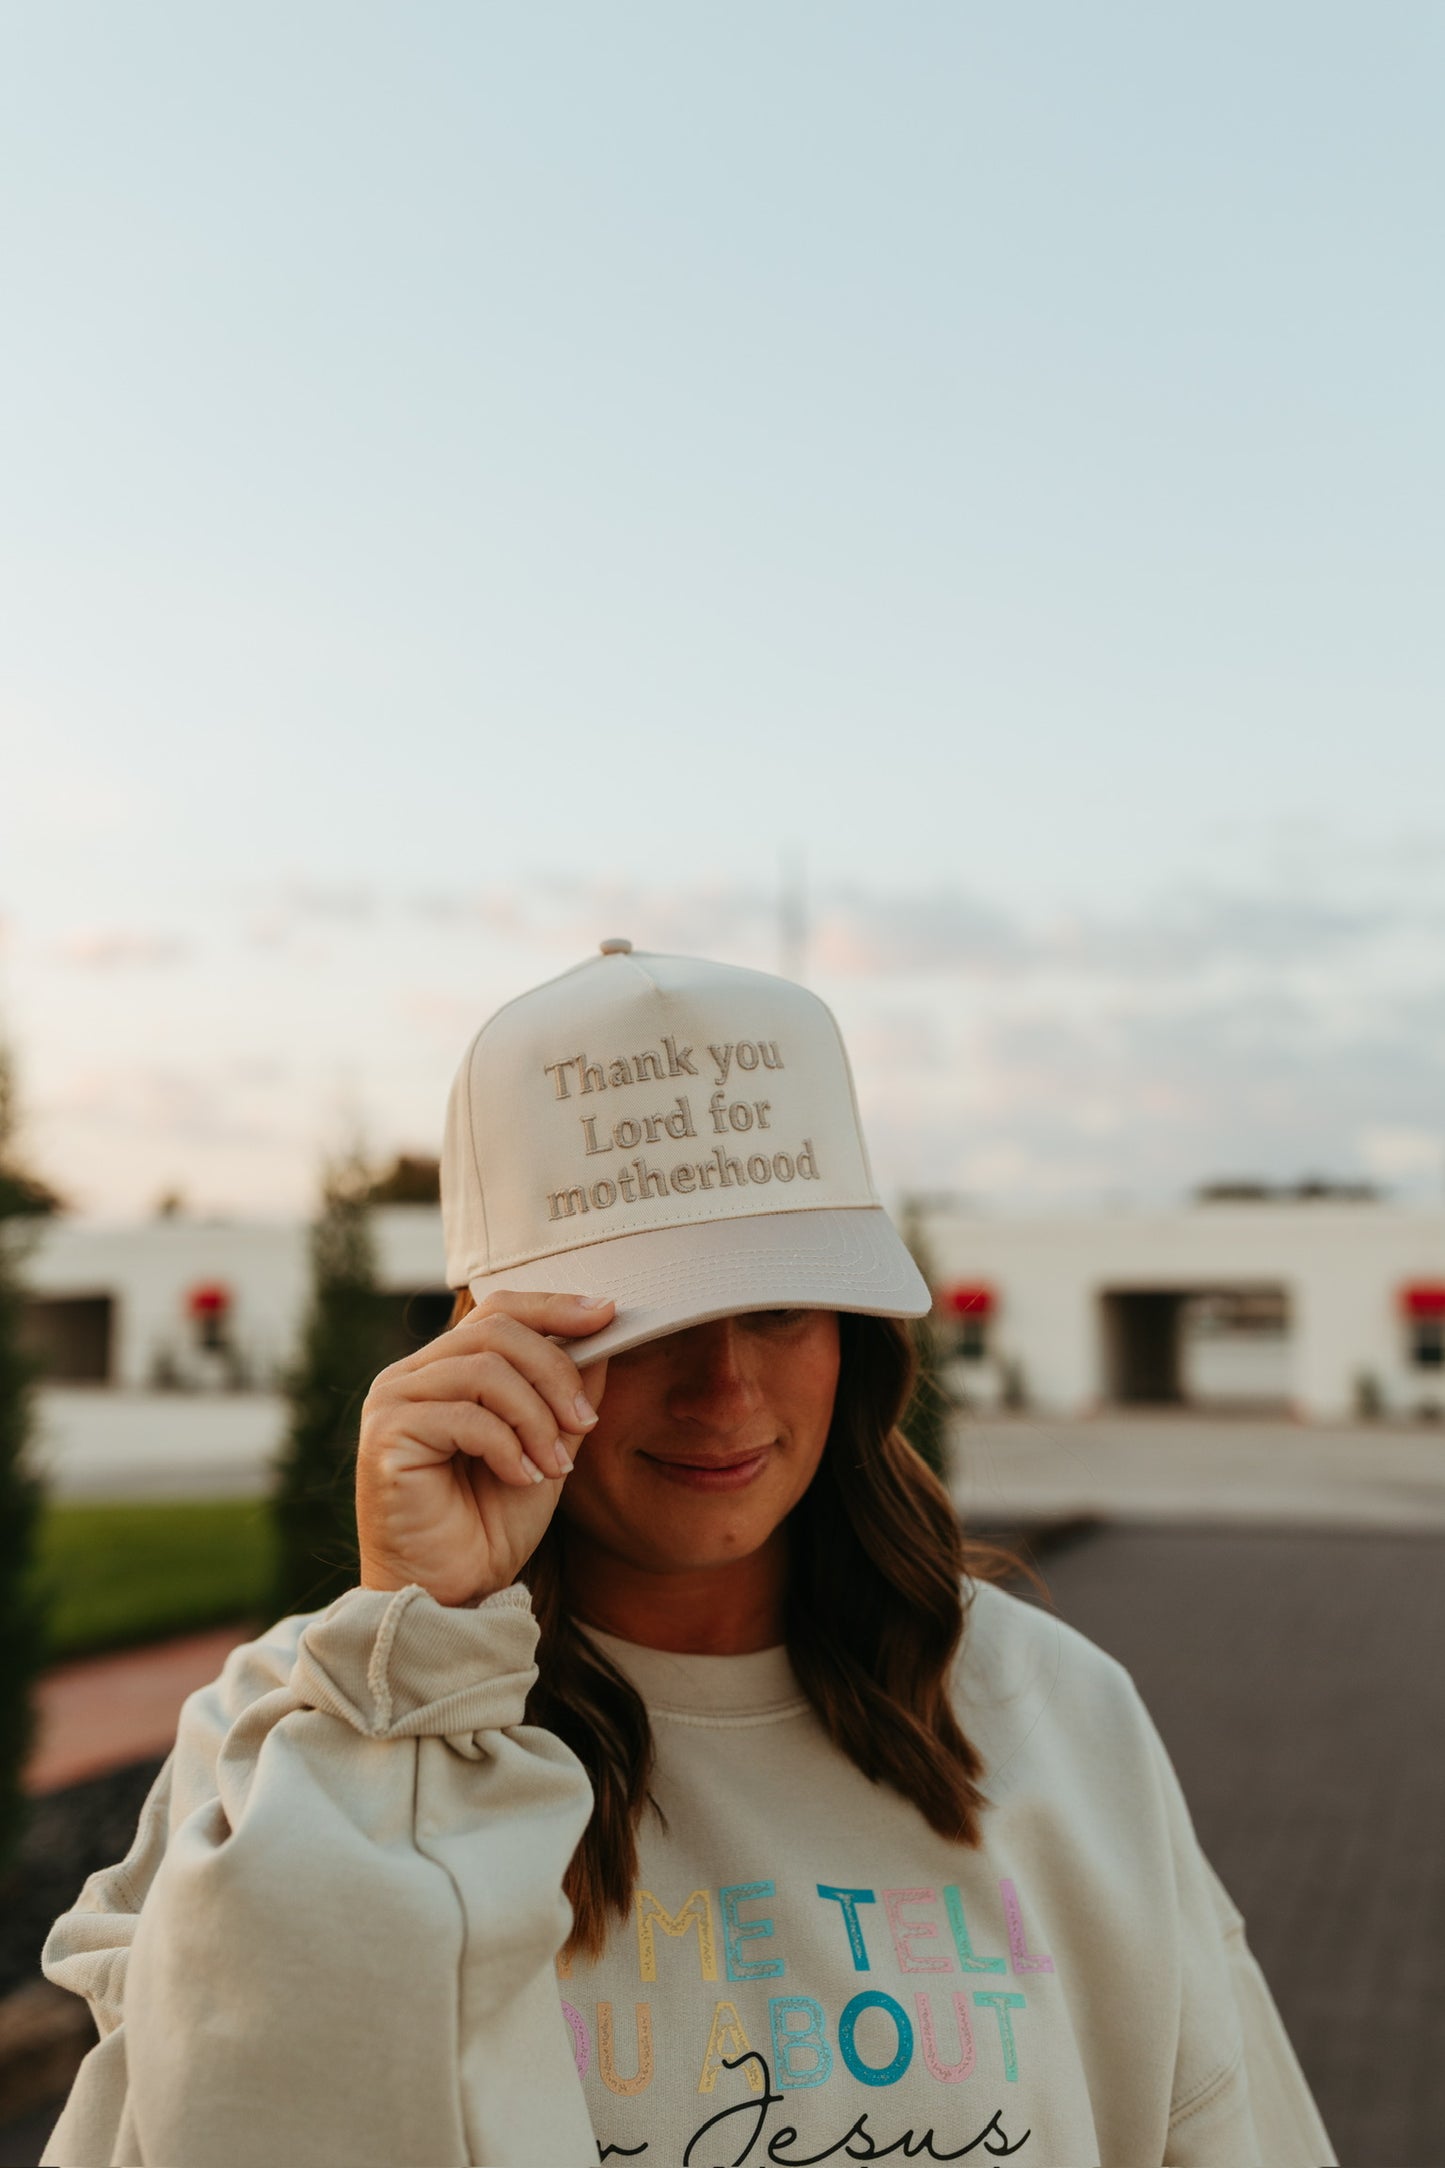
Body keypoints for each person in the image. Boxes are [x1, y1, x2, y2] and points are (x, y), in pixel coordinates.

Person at [41, 941, 1334, 2168]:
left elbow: (1224, 2126)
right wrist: (419, 1657)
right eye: (636, 1324)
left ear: (853, 1340)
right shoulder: (302, 1738)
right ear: (491, 1351)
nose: (720, 1388)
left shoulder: (1051, 1715)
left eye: (775, 1306)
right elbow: (250, 2120)